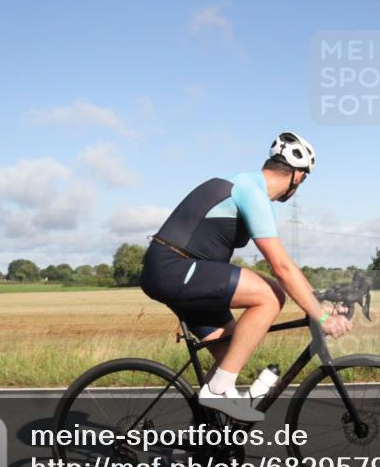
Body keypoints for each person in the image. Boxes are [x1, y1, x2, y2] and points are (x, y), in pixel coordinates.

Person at [140, 132, 352, 421]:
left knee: (232, 352)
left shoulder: (246, 185)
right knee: (271, 295)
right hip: (172, 269)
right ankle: (218, 390)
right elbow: (282, 267)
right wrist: (322, 318)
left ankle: (205, 439)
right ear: (298, 178)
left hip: (182, 274)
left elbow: (287, 269)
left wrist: (318, 304)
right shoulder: (249, 190)